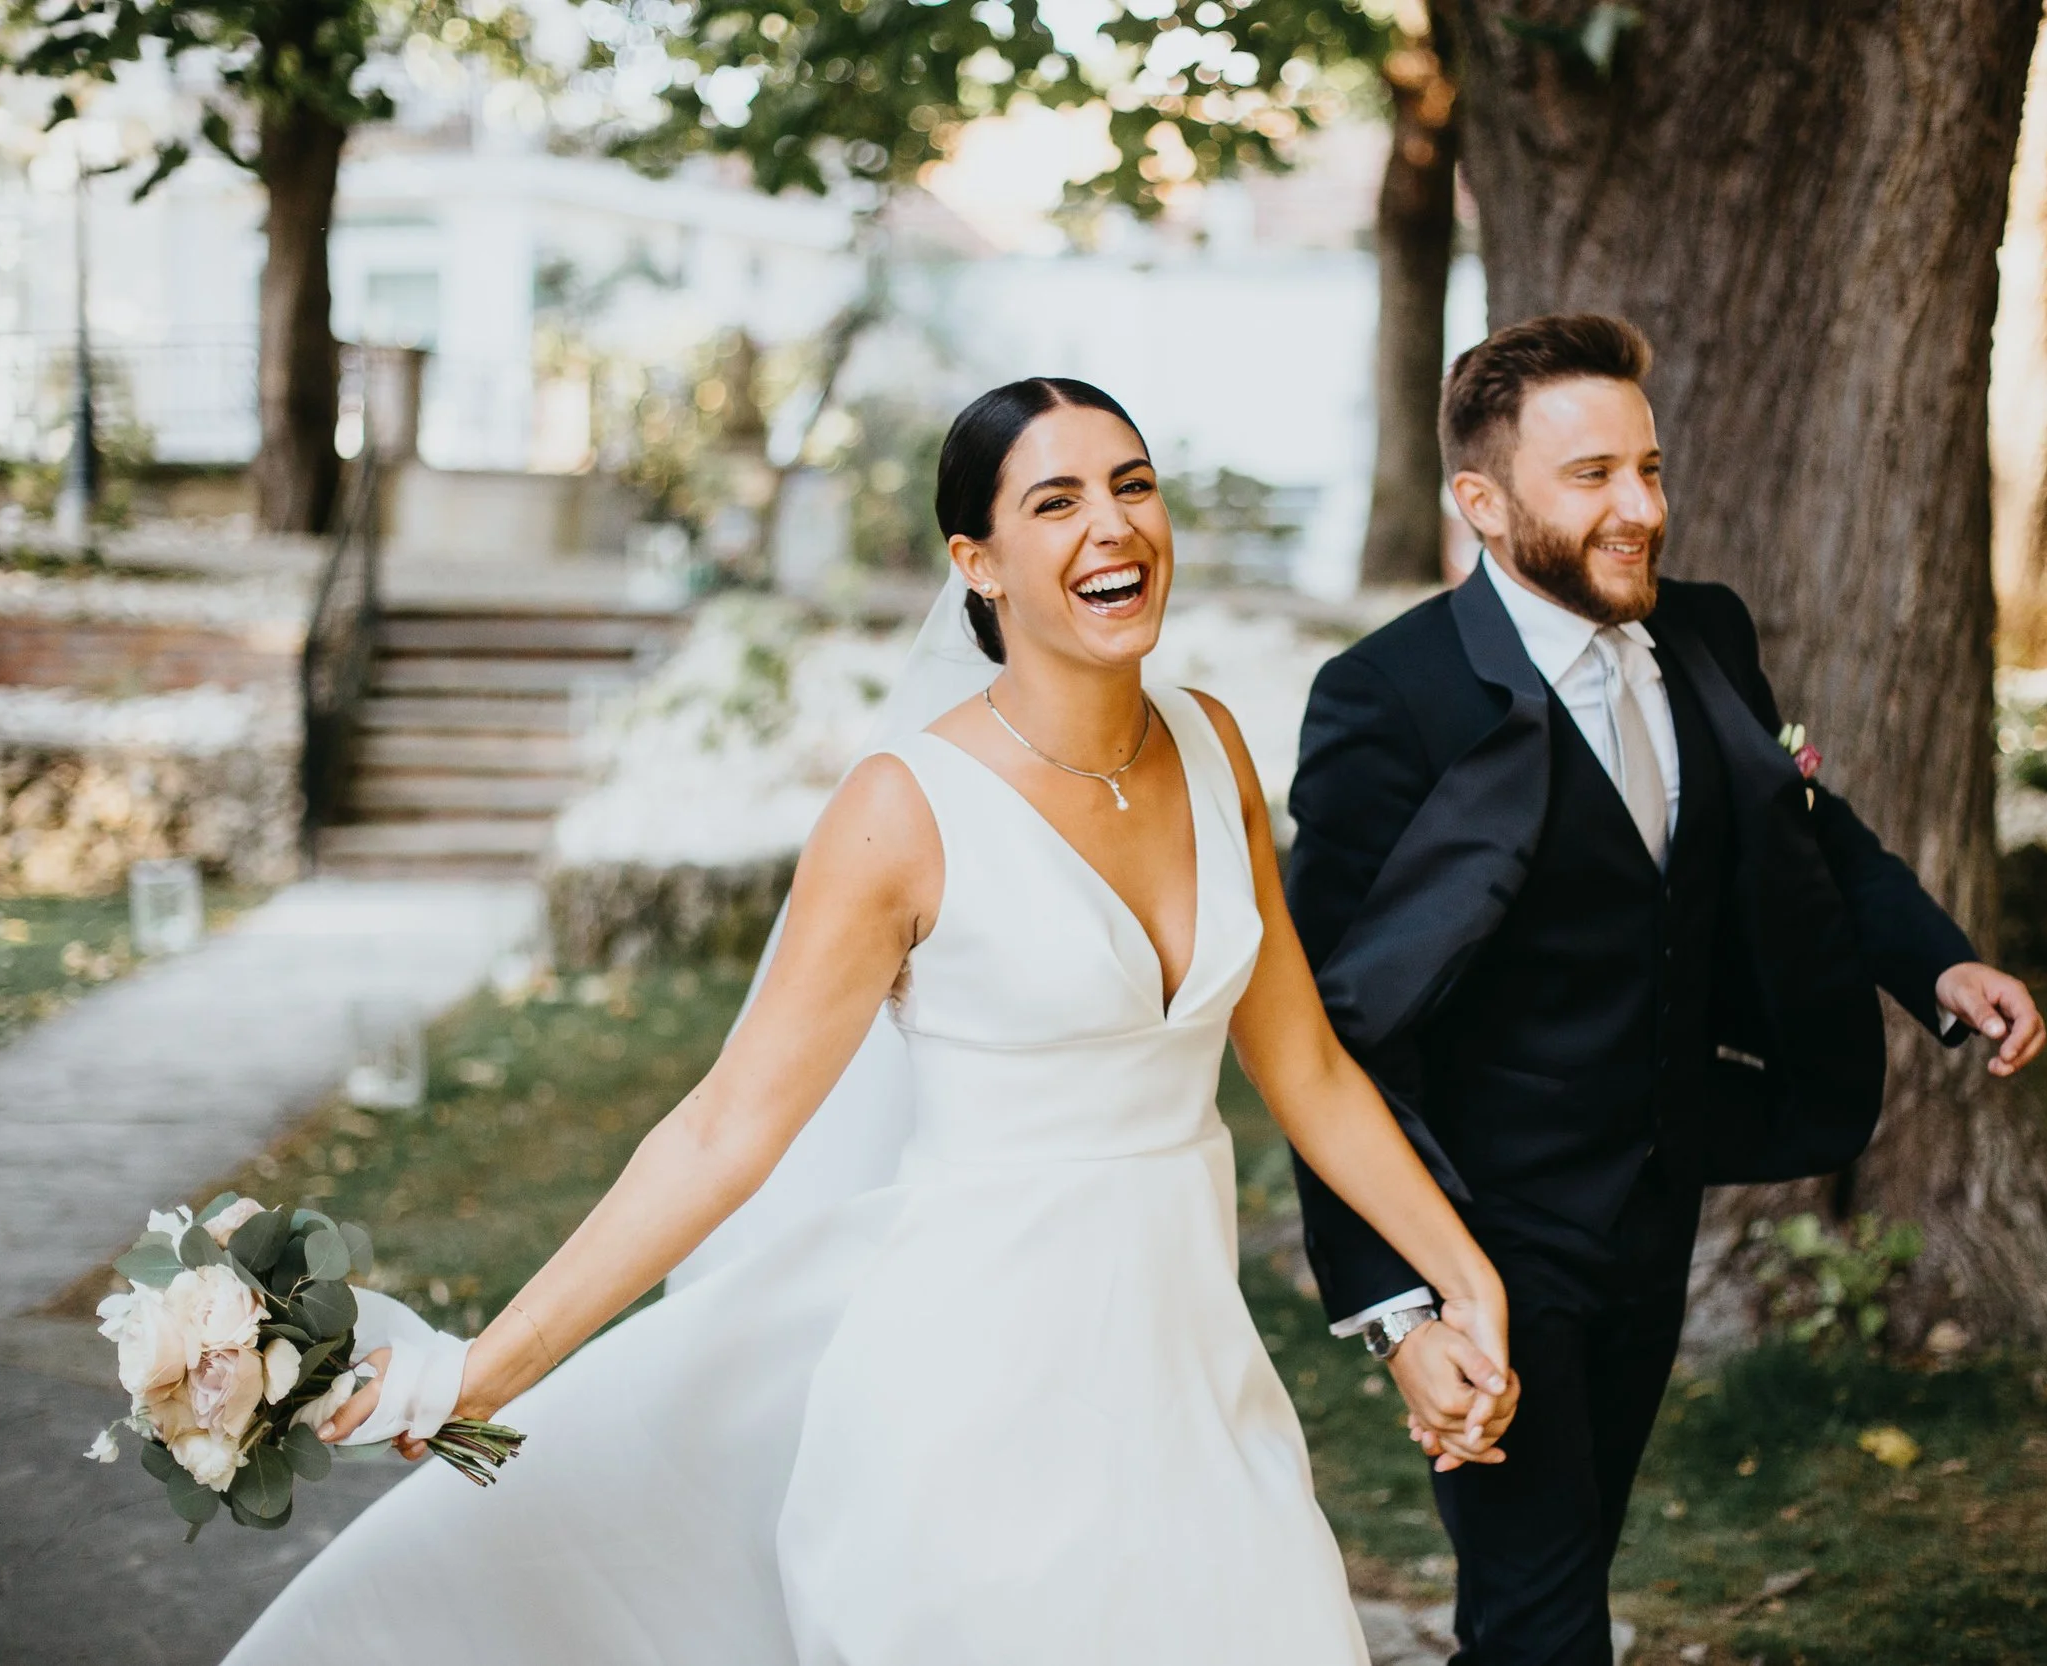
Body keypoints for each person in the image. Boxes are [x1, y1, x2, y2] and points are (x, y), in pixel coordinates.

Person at [223, 377, 1520, 1666]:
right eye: (1055, 499)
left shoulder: (1217, 748)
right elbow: (725, 1129)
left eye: (1132, 484)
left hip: (1197, 1392)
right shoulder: (904, 812)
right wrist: (488, 1369)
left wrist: (1462, 1279)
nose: (1113, 526)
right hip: (965, 1412)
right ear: (979, 559)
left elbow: (1303, 1065)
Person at [1284, 314, 2047, 1666]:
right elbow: (1324, 1034)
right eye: (1592, 477)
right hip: (1482, 1230)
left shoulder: (1701, 633)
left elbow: (1802, 828)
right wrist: (1402, 1308)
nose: (1641, 507)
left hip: (1656, 1198)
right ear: (1482, 501)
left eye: (1650, 468)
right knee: (1540, 1607)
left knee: (1568, 1557)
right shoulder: (1385, 699)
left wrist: (1937, 961)